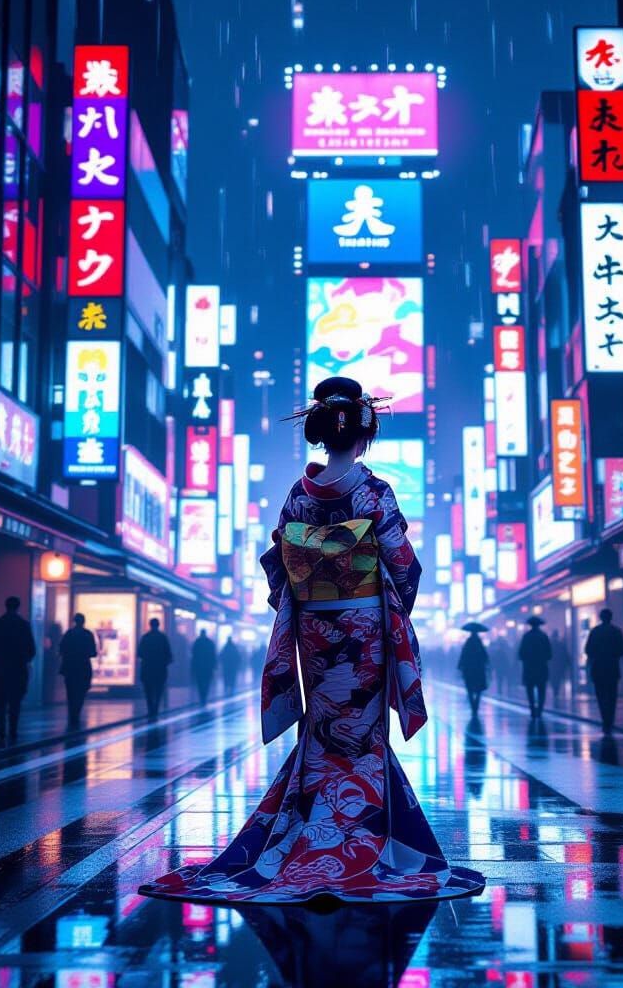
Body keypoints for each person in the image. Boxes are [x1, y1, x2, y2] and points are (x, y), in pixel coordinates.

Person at [140, 376, 484, 905]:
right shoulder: (374, 492)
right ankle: (363, 838)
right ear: (365, 433)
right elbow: (403, 565)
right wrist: (381, 606)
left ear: (319, 432)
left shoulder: (298, 495)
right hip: (363, 627)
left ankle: (305, 829)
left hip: (315, 632)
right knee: (363, 733)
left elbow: (279, 565)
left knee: (323, 726)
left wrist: (308, 602)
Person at [0, 596, 36, 744]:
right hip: (18, 669)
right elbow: (32, 649)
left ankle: (1, 730)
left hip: (1, 667)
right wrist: (24, 658)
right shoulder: (23, 625)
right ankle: (13, 730)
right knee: (15, 701)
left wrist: (0, 653)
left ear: (5, 606)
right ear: (18, 606)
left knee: (0, 701)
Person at [584, 608, 623, 735]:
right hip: (612, 668)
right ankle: (610, 720)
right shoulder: (616, 631)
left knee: (601, 696)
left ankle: (605, 720)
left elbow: (588, 650)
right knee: (612, 696)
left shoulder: (595, 632)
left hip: (598, 669)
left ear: (600, 618)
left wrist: (596, 656)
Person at [59, 613, 97, 731]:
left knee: (70, 692)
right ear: (83, 621)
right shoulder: (87, 634)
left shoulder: (69, 634)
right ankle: (76, 713)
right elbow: (93, 652)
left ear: (74, 621)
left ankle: (72, 715)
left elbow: (61, 649)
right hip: (83, 667)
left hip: (70, 667)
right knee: (81, 692)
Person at [139, 617, 173, 720]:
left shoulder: (145, 637)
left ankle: (150, 709)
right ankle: (156, 708)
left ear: (150, 625)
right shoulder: (163, 638)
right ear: (158, 625)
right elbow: (168, 654)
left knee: (148, 690)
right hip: (160, 668)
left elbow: (140, 652)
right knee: (158, 689)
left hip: (147, 668)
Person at [518, 616, 552, 719]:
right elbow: (549, 654)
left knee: (530, 690)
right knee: (542, 690)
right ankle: (540, 711)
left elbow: (521, 654)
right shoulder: (544, 636)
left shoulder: (526, 637)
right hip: (541, 668)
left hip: (529, 668)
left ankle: (532, 709)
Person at [458, 631, 490, 716]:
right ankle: (476, 703)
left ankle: (473, 705)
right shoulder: (480, 643)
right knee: (479, 688)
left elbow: (463, 655)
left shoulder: (467, 643)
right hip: (479, 669)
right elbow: (485, 656)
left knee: (469, 687)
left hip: (468, 669)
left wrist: (460, 666)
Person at [190, 628, 216, 705]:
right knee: (207, 682)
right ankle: (204, 696)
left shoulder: (197, 642)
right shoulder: (210, 643)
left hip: (199, 667)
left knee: (200, 682)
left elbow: (193, 655)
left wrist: (193, 667)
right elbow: (213, 655)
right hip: (208, 667)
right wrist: (214, 666)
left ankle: (202, 696)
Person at [549, 626, 569, 700]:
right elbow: (565, 655)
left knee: (553, 678)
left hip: (552, 665)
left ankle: (555, 691)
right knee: (558, 678)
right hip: (559, 665)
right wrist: (567, 664)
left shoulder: (550, 644)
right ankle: (556, 691)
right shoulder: (561, 644)